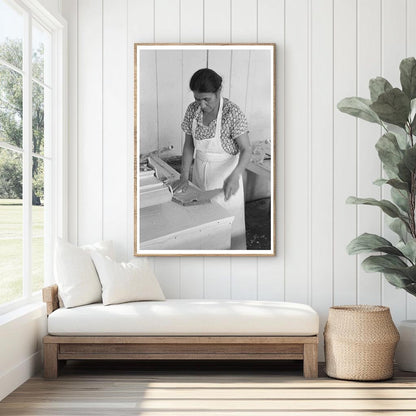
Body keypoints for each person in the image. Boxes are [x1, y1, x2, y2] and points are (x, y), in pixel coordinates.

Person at [173, 68, 251, 250]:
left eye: (206, 99)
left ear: (218, 91)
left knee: (228, 232)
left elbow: (247, 149)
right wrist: (184, 176)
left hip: (226, 181)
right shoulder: (193, 111)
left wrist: (235, 175)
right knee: (202, 230)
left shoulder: (232, 114)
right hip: (199, 178)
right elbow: (189, 145)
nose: (201, 105)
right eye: (197, 99)